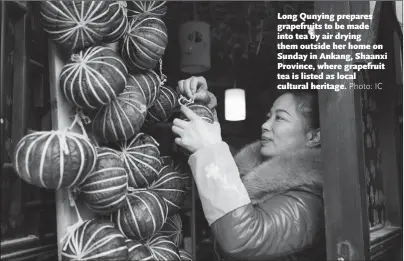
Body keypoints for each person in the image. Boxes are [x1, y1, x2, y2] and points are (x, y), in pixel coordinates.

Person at [172, 76, 325, 261]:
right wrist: (202, 107)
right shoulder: (252, 172)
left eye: (280, 118)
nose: (265, 125)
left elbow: (242, 237)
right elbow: (227, 175)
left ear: (313, 137)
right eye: (269, 117)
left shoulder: (308, 202)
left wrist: (209, 149)